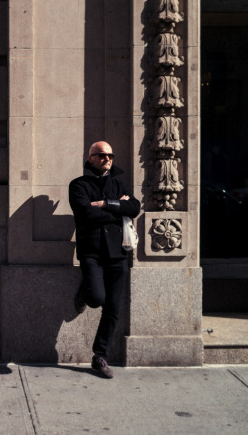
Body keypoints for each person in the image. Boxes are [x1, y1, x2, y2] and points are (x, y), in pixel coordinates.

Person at [69, 141, 140, 378]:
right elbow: (85, 213)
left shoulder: (118, 183)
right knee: (97, 298)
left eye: (110, 155)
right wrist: (117, 208)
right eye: (101, 155)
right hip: (92, 252)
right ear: (90, 158)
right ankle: (85, 292)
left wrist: (106, 204)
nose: (107, 159)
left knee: (113, 308)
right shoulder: (78, 185)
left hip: (117, 254)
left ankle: (100, 356)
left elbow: (134, 208)